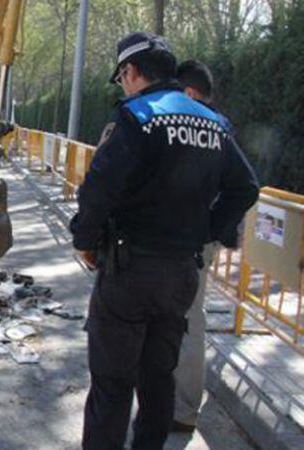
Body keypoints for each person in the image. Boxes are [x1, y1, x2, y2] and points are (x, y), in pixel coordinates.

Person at [70, 32, 258, 449]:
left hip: (129, 272)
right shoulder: (214, 123)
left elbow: (98, 191)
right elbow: (246, 187)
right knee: (158, 382)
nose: (123, 85)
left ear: (131, 72)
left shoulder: (136, 117)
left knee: (112, 386)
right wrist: (209, 231)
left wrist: (84, 239)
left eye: (121, 76)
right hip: (181, 275)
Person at [171, 59, 235, 433]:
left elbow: (243, 188)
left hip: (191, 242)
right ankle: (176, 405)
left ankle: (181, 410)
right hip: (196, 239)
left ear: (190, 94)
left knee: (188, 324)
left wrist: (209, 228)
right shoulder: (221, 128)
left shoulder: (201, 128)